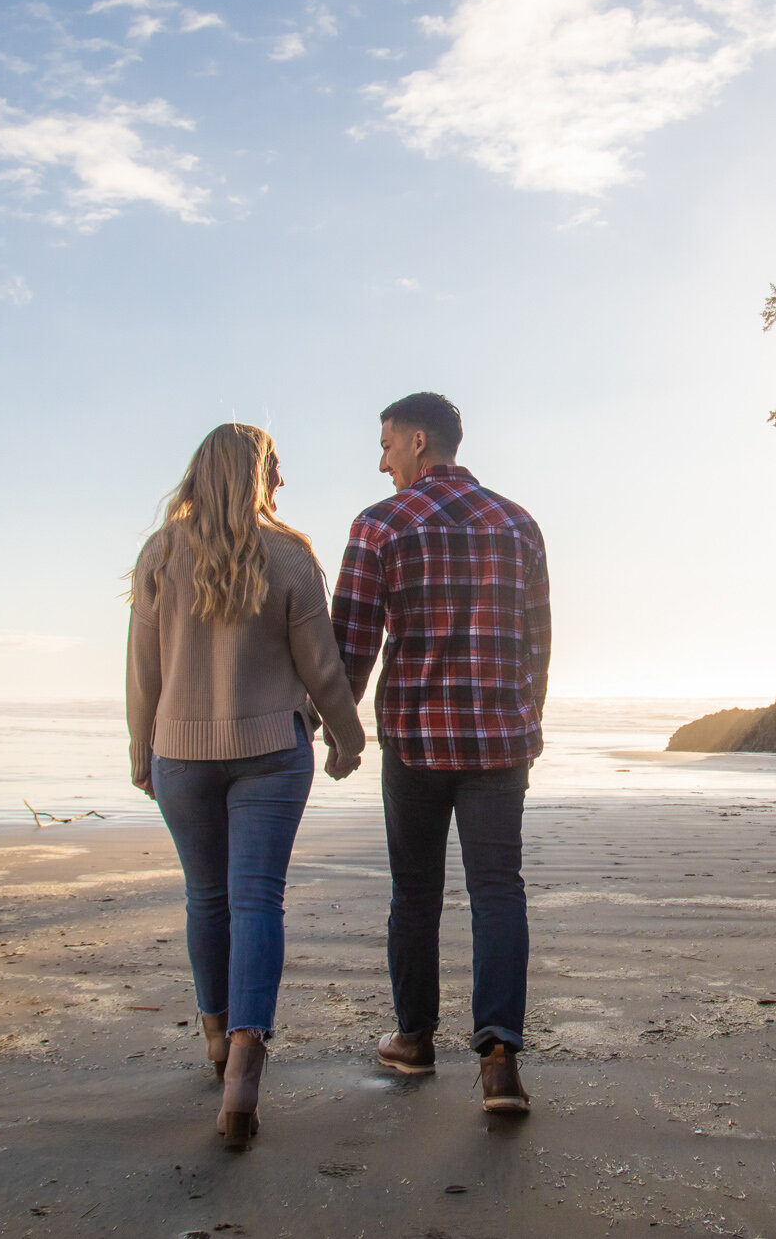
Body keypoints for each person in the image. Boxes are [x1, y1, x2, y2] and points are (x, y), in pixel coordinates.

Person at [126, 423, 365, 1144]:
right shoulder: (291, 556)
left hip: (182, 752)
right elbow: (322, 665)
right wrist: (349, 739)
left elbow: (144, 668)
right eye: (276, 467)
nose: (283, 482)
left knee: (207, 896)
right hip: (270, 750)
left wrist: (143, 746)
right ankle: (243, 1072)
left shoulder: (160, 552)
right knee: (256, 897)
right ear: (254, 474)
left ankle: (213, 1036)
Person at [331, 392, 550, 1115]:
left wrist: (336, 728)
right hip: (498, 740)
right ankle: (499, 1060)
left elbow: (350, 647)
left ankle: (416, 1039)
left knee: (416, 892)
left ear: (419, 441)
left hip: (418, 742)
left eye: (387, 442)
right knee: (497, 890)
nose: (382, 458)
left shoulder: (379, 525)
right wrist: (528, 718)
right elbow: (536, 641)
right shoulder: (518, 524)